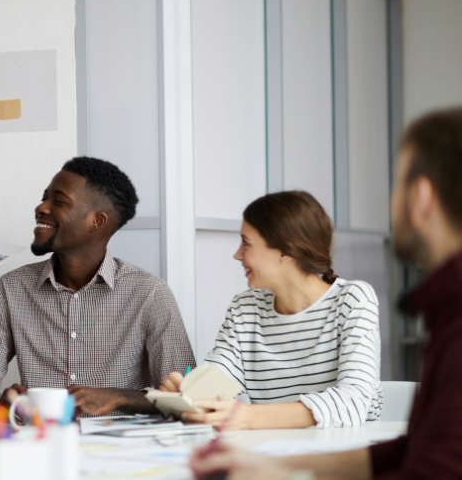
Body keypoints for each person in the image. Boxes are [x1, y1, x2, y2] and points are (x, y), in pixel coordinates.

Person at [191, 107, 462, 479]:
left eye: (397, 183)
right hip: (289, 451)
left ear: (422, 197)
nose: (237, 255)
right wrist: (195, 391)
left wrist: (252, 422)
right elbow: (413, 451)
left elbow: (430, 466)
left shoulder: (365, 302)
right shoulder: (445, 310)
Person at [0, 157, 196, 416]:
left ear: (97, 221)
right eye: (44, 197)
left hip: (122, 451)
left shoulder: (150, 293)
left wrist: (120, 399)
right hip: (40, 443)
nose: (41, 207)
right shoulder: (11, 289)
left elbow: (186, 397)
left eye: (58, 201)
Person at [159, 191, 382, 430]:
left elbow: (353, 401)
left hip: (346, 455)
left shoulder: (352, 299)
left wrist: (248, 417)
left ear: (285, 251)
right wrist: (190, 395)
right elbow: (218, 383)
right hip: (270, 455)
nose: (237, 255)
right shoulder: (244, 308)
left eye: (246, 242)